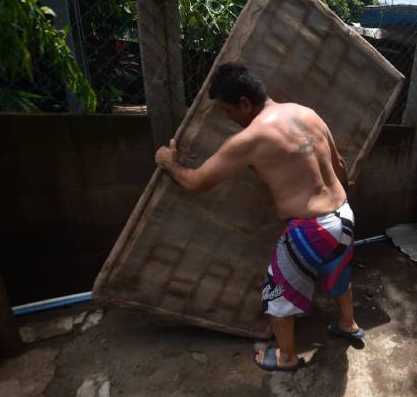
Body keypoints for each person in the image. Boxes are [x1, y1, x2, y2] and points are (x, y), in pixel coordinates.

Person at [154, 62, 364, 372]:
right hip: (344, 216)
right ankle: (348, 324)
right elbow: (340, 164)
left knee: (273, 291)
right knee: (336, 270)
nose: (231, 120)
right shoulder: (307, 113)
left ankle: (286, 357)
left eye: (229, 112)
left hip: (310, 229)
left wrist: (168, 162)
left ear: (244, 103)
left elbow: (195, 182)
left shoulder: (251, 138)